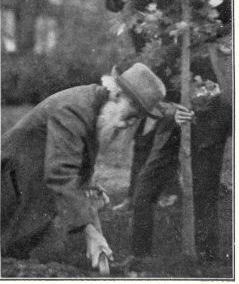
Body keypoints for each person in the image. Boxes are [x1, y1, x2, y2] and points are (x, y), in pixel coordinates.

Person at [2, 62, 170, 269]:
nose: (128, 125)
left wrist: (89, 189)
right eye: (131, 116)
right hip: (9, 180)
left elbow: (75, 164)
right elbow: (61, 173)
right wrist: (90, 232)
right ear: (117, 96)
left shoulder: (95, 109)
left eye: (136, 120)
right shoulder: (74, 109)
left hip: (29, 182)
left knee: (18, 252)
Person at [113, 79, 231, 264]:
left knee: (204, 192)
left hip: (205, 125)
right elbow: (162, 103)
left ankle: (208, 258)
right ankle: (140, 256)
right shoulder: (157, 72)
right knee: (144, 188)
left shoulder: (217, 57)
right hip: (170, 126)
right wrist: (174, 114)